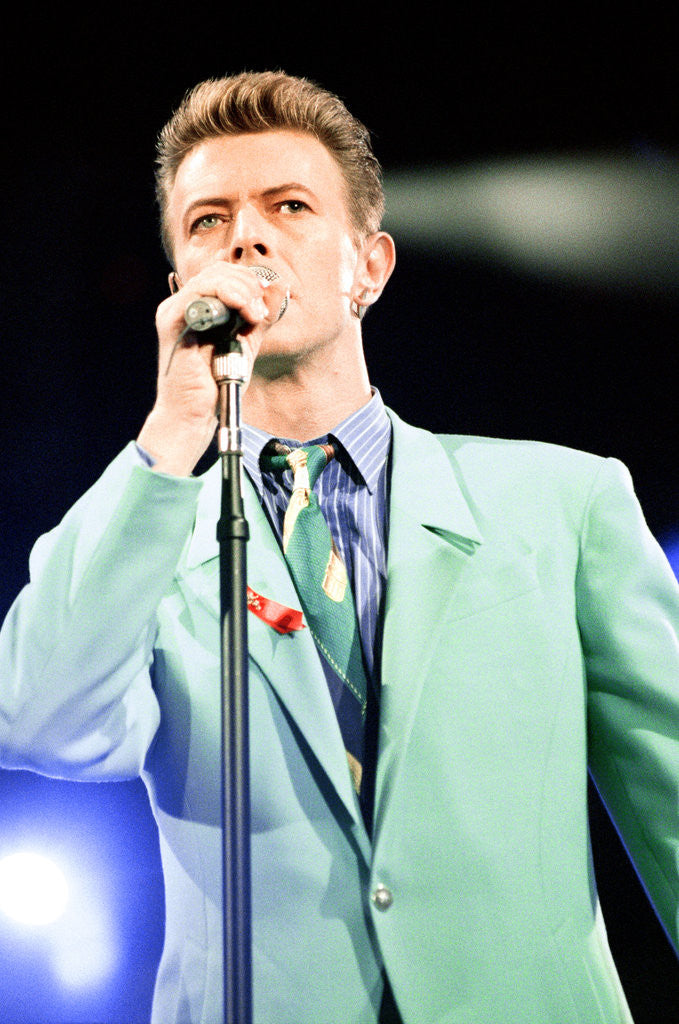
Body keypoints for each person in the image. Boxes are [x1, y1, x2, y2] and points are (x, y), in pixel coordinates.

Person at [0, 70, 677, 1024]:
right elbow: (34, 718)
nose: (244, 236)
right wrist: (174, 424)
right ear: (182, 286)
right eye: (207, 221)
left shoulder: (562, 504)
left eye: (288, 205)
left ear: (370, 266)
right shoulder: (139, 543)